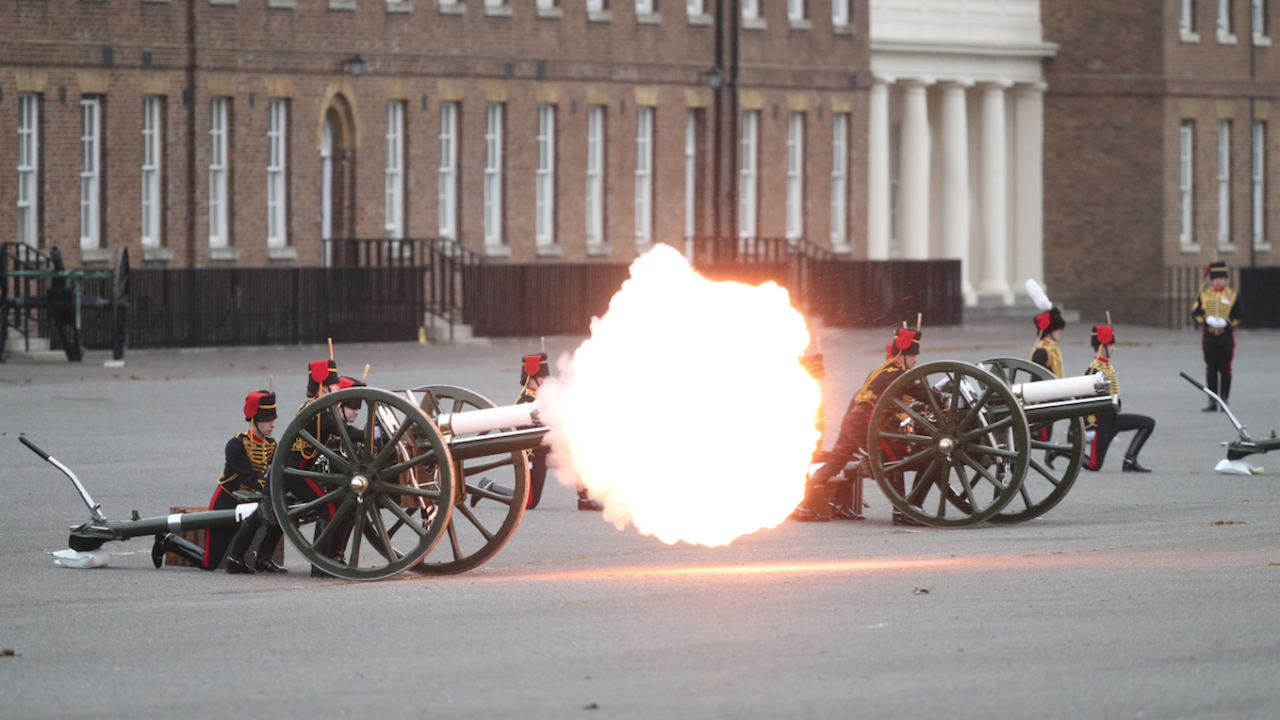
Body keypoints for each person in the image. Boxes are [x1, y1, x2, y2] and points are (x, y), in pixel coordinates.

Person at [792, 326, 926, 525]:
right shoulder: (895, 374)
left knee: (834, 464)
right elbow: (920, 394)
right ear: (901, 355)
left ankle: (806, 507)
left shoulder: (885, 370)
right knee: (894, 462)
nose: (916, 360)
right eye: (912, 355)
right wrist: (943, 399)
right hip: (866, 426)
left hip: (852, 423)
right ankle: (902, 512)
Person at [151, 389, 282, 573]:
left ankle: (258, 560)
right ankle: (167, 540)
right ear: (255, 419)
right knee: (209, 563)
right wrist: (273, 488)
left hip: (250, 502)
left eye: (273, 419)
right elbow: (250, 478)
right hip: (227, 501)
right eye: (268, 419)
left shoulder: (271, 444)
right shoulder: (236, 444)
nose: (272, 424)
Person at [1082, 324, 1155, 473]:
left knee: (1148, 423)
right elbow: (1085, 401)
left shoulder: (1106, 366)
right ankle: (1061, 452)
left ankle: (1130, 459)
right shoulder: (1094, 370)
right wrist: (1090, 427)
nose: (1114, 348)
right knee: (1094, 465)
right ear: (1102, 345)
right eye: (1111, 344)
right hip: (1101, 424)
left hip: (1113, 418)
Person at [1192, 261, 1242, 412]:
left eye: (1221, 278)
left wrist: (1226, 323)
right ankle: (1212, 400)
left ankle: (1224, 398)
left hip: (1225, 336)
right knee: (1211, 368)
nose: (1218, 281)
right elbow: (1195, 313)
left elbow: (1238, 315)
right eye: (1215, 278)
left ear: (1226, 279)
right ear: (1212, 280)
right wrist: (1206, 320)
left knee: (1225, 367)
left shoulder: (1233, 295)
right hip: (1209, 336)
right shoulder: (1204, 295)